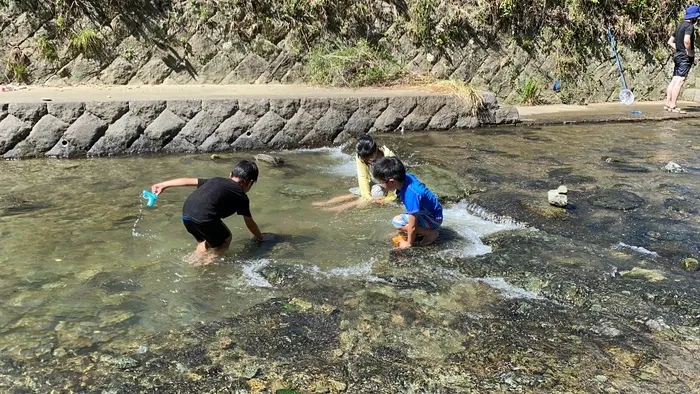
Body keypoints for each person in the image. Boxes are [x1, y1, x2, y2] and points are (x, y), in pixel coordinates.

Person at [150, 159, 267, 265]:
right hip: (204, 217)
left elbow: (187, 181)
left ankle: (192, 261)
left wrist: (163, 185)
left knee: (205, 241)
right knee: (226, 239)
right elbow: (250, 223)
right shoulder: (241, 197)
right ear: (249, 183)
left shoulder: (215, 180)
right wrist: (261, 238)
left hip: (187, 213)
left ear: (230, 175)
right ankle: (207, 262)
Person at [371, 157, 443, 249]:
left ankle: (430, 234)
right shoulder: (406, 178)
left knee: (397, 222)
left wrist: (408, 243)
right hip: (430, 213)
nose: (381, 185)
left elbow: (412, 227)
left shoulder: (411, 194)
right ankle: (421, 230)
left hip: (434, 219)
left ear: (392, 181)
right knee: (403, 222)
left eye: (381, 182)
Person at [313, 135, 397, 212]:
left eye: (370, 158)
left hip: (387, 185)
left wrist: (387, 199)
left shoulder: (388, 157)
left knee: (364, 198)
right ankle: (327, 203)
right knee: (359, 193)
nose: (368, 161)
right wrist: (367, 195)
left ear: (375, 150)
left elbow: (393, 182)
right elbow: (363, 177)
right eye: (365, 159)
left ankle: (338, 208)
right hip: (376, 181)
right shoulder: (361, 156)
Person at [665, 4, 700, 113]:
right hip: (684, 58)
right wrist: (689, 52)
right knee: (680, 80)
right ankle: (673, 105)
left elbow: (670, 42)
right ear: (694, 17)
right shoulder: (689, 27)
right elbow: (686, 41)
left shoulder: (680, 25)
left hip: (678, 56)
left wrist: (679, 49)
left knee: (674, 79)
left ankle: (668, 103)